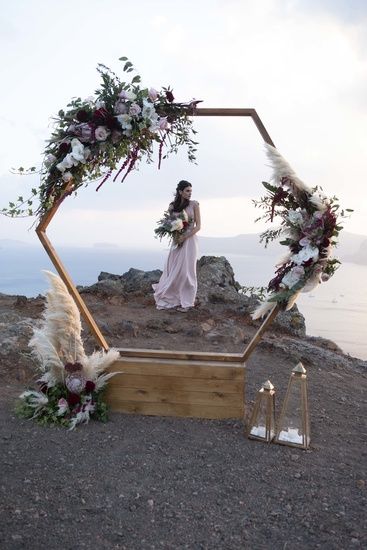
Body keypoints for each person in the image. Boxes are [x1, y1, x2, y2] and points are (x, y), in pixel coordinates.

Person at [153, 180, 201, 312]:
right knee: (173, 269)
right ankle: (175, 298)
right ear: (180, 192)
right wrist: (176, 236)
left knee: (187, 271)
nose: (190, 193)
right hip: (177, 241)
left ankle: (188, 301)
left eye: (191, 191)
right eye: (187, 191)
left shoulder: (194, 205)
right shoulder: (172, 206)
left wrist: (185, 236)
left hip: (190, 241)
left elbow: (199, 226)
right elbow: (171, 225)